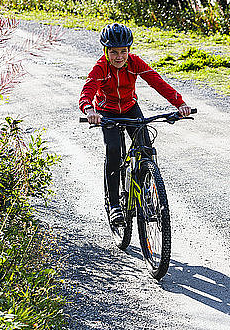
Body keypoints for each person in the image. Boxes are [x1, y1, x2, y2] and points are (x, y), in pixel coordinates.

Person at [79, 23, 191, 225]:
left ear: (129, 50)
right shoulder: (101, 67)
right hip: (107, 112)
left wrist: (180, 103)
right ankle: (114, 205)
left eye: (123, 51)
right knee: (114, 151)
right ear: (106, 51)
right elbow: (88, 90)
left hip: (130, 108)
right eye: (113, 52)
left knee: (146, 148)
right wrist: (89, 110)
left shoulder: (135, 63)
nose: (119, 57)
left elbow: (157, 82)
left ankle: (147, 193)